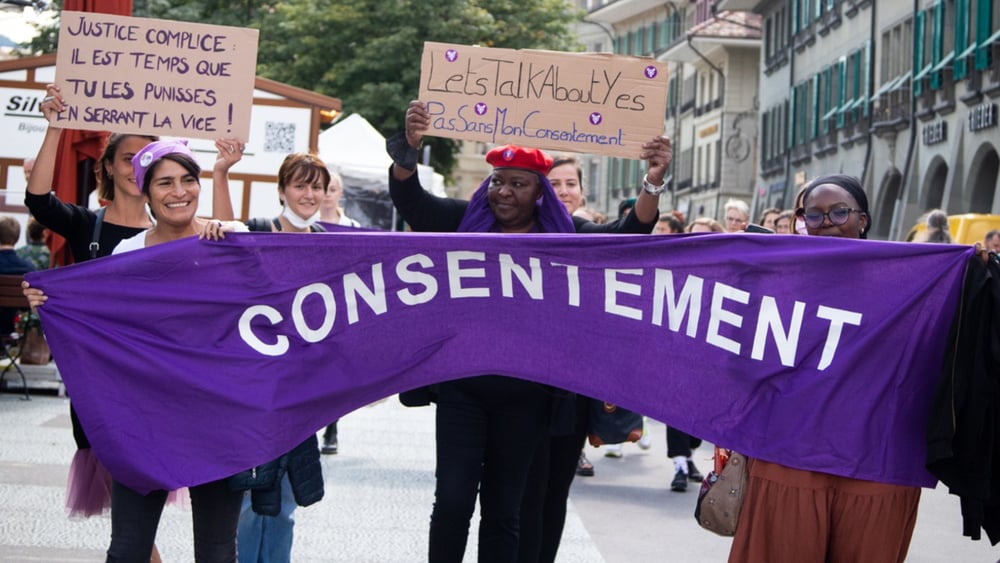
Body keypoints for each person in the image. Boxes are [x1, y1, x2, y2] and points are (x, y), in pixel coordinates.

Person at [390, 99, 668, 563]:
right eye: (497, 182)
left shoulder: (566, 235)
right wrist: (409, 151)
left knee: (504, 509)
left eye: (517, 184)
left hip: (528, 398)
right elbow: (411, 200)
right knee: (454, 501)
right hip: (464, 391)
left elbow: (630, 231)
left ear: (539, 193)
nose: (503, 192)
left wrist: (653, 181)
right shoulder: (465, 223)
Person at [27, 84, 243, 560]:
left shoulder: (227, 238)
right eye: (164, 182)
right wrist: (48, 296)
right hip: (143, 419)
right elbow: (98, 314)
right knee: (127, 549)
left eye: (187, 180)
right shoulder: (124, 252)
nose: (178, 191)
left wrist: (224, 217)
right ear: (143, 190)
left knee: (216, 551)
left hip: (218, 417)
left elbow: (257, 288)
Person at [729, 174, 921, 562]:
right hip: (790, 456)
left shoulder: (910, 281)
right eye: (813, 215)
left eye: (839, 211)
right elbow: (742, 362)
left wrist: (974, 274)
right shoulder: (780, 281)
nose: (827, 222)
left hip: (874, 462)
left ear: (863, 219)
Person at [519, 147, 668, 563]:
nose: (563, 191)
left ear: (582, 193)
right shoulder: (509, 232)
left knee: (552, 495)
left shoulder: (588, 235)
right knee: (519, 496)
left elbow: (633, 229)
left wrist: (653, 180)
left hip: (567, 394)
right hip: (514, 390)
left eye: (571, 184)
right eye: (554, 183)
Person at [213, 152, 329, 563]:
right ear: (281, 190)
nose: (308, 193)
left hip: (299, 393)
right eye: (300, 184)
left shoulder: (333, 245)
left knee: (285, 504)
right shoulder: (259, 230)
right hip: (254, 390)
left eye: (316, 186)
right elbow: (227, 237)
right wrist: (221, 171)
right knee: (247, 501)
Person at [318, 168, 359, 455]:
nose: (328, 194)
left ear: (340, 193)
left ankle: (331, 426)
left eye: (333, 189)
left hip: (339, 305)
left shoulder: (352, 225)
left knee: (333, 369)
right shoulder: (303, 225)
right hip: (309, 302)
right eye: (325, 189)